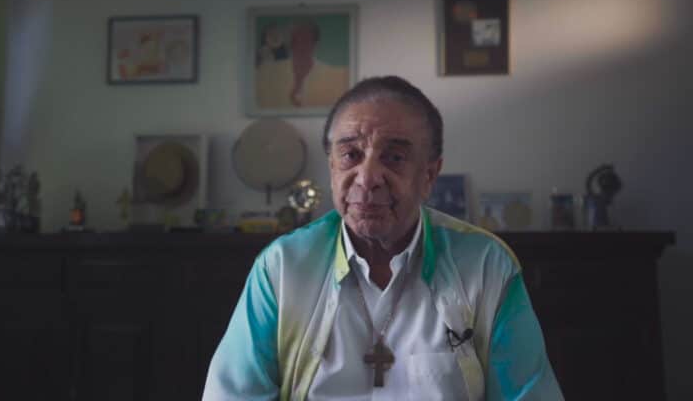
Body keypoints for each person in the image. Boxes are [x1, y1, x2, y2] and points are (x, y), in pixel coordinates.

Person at [204, 76, 563, 400]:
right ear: (331, 166)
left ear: (429, 175)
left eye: (394, 157)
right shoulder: (282, 267)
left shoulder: (486, 266)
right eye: (350, 155)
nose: (367, 178)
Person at [255, 19, 349, 109]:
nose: (300, 46)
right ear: (290, 43)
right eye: (296, 40)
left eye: (306, 41)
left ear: (315, 43)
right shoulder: (270, 72)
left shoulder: (332, 75)